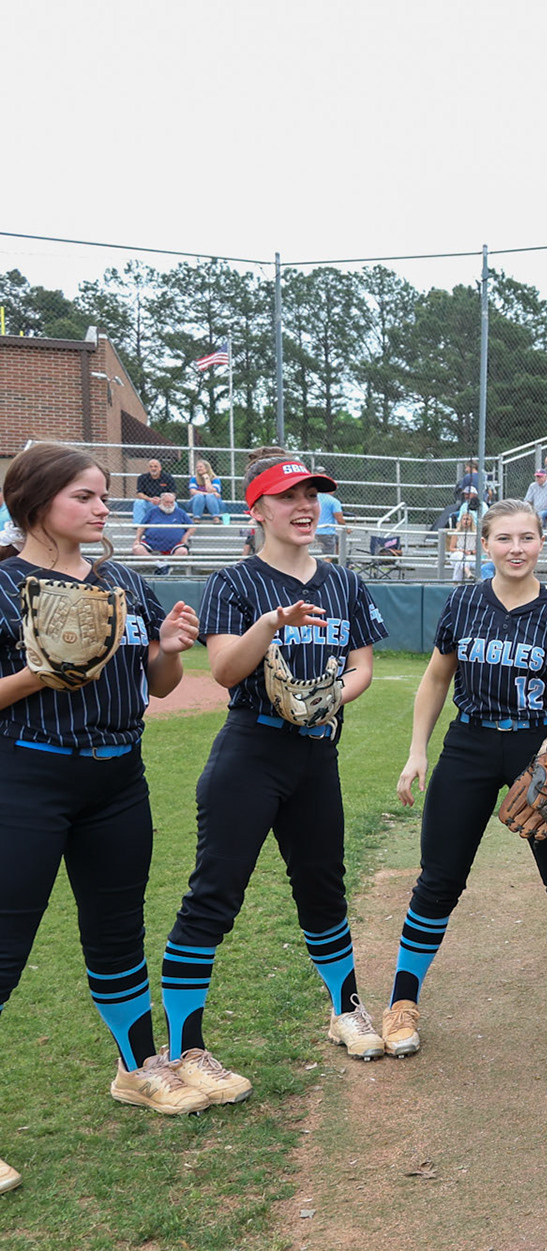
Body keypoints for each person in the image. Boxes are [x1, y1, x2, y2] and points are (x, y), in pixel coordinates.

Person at [0, 444, 207, 1196]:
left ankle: (136, 1069)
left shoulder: (123, 579)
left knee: (117, 935)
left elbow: (156, 682)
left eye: (102, 496)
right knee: (4, 950)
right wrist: (42, 669)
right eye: (84, 497)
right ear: (36, 501)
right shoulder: (4, 583)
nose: (101, 508)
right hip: (27, 777)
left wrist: (172, 648)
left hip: (119, 777)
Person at [159, 453, 390, 1096]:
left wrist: (329, 696)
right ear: (256, 509)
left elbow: (362, 667)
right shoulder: (234, 582)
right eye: (288, 495)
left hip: (316, 753)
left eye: (312, 494)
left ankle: (345, 1011)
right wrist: (271, 624)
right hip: (251, 754)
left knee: (322, 888)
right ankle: (186, 1049)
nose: (304, 506)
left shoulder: (344, 583)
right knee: (215, 896)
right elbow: (228, 671)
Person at [383, 499, 547, 1056]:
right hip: (468, 743)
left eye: (527, 537)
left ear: (542, 543)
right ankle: (402, 1002)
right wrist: (417, 751)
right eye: (504, 538)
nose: (516, 548)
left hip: (537, 744)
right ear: (485, 544)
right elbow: (436, 678)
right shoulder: (464, 601)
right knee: (439, 878)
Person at [133, 489, 194, 571]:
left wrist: (185, 537)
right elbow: (142, 526)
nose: (169, 505)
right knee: (137, 549)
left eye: (171, 502)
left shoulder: (180, 512)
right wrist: (137, 539)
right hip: (152, 542)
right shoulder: (153, 511)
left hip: (175, 544)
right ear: (161, 501)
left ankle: (166, 565)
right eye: (167, 502)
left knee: (183, 551)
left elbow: (192, 527)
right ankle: (159, 565)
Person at [133, 457, 176, 528]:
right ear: (148, 468)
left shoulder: (168, 478)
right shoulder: (142, 478)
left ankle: (173, 524)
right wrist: (150, 499)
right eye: (151, 467)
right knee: (138, 502)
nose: (153, 468)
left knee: (175, 504)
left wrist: (162, 500)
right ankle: (138, 525)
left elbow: (173, 493)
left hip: (163, 503)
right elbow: (139, 493)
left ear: (160, 468)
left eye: (156, 466)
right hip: (149, 502)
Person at [314, 478, 349, 563]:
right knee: (328, 555)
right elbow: (339, 518)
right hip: (326, 532)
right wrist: (346, 528)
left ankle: (339, 564)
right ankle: (324, 573)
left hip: (313, 530)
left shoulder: (314, 498)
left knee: (338, 542)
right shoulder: (333, 501)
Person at [447, 512, 477, 581]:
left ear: (471, 521)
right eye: (464, 519)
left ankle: (456, 583)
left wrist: (471, 552)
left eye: (468, 519)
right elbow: (451, 548)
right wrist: (462, 551)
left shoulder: (475, 533)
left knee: (461, 563)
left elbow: (478, 549)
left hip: (470, 556)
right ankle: (468, 573)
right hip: (457, 554)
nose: (465, 521)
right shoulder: (456, 532)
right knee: (460, 556)